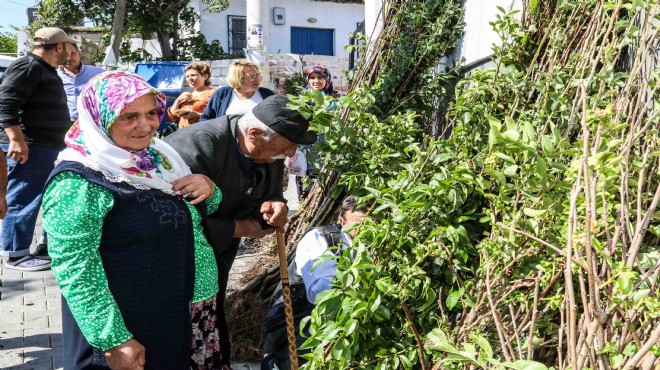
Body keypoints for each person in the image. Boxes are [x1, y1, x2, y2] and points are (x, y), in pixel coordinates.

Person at [42, 71, 219, 370]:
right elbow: (75, 268)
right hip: (129, 327)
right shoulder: (78, 181)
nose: (145, 125)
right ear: (101, 118)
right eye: (128, 116)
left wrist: (210, 189)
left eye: (151, 113)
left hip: (176, 312)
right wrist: (113, 339)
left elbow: (192, 213)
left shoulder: (157, 159)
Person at [165, 94, 318, 366]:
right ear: (255, 133)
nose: (292, 154)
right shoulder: (197, 146)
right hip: (179, 261)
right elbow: (177, 218)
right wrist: (240, 228)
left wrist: (277, 205)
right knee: (178, 331)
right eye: (290, 146)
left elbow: (270, 193)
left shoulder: (269, 146)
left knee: (211, 323)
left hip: (218, 256)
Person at [0, 27, 77, 272]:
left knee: (42, 197)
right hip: (31, 146)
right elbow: (6, 103)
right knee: (22, 197)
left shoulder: (44, 69)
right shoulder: (29, 66)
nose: (70, 52)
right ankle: (15, 254)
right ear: (59, 47)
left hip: (47, 146)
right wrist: (16, 140)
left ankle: (40, 248)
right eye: (68, 47)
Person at [261, 195, 366, 370]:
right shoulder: (320, 239)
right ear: (342, 221)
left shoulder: (375, 246)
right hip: (300, 319)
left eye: (371, 223)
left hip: (345, 322)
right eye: (358, 222)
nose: (365, 229)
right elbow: (321, 293)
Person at [294, 65, 338, 201]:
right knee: (303, 182)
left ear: (327, 80)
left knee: (322, 183)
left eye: (320, 77)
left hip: (324, 148)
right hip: (304, 148)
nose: (316, 81)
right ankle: (304, 210)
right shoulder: (302, 99)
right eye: (312, 78)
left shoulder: (332, 100)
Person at [200, 60, 275, 120]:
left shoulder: (267, 94)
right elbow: (206, 119)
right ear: (238, 78)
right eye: (252, 76)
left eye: (258, 75)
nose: (257, 79)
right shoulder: (222, 94)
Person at [57, 42, 105, 123]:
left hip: (91, 122)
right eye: (64, 55)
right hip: (64, 123)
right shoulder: (54, 76)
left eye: (72, 53)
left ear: (79, 54)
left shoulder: (98, 73)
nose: (68, 58)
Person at [167, 61, 216, 129]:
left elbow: (219, 116)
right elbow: (172, 116)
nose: (190, 79)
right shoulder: (187, 95)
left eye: (193, 75)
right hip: (183, 134)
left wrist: (197, 115)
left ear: (205, 76)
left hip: (202, 133)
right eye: (187, 76)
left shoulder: (214, 93)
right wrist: (178, 100)